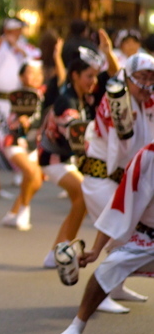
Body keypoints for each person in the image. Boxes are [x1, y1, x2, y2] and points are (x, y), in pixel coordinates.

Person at [67, 51, 154, 308]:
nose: (146, 83)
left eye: (151, 77)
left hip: (126, 181)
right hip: (102, 177)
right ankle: (102, 291)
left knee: (126, 234)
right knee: (120, 232)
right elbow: (124, 147)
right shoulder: (116, 99)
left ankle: (114, 287)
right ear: (128, 76)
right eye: (141, 77)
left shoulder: (148, 101)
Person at [58, 144, 154, 334]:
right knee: (110, 267)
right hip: (146, 238)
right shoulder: (148, 157)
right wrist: (95, 250)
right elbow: (119, 204)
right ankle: (78, 323)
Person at [38, 51, 100, 252]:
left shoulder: (85, 99)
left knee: (82, 200)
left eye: (95, 76)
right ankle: (60, 250)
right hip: (53, 159)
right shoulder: (67, 102)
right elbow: (78, 137)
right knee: (82, 195)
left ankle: (59, 248)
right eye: (89, 76)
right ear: (75, 75)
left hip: (68, 159)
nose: (94, 81)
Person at [0, 59, 47, 231]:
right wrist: (22, 119)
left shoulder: (44, 93)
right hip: (15, 141)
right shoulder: (18, 94)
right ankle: (24, 213)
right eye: (31, 73)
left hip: (33, 144)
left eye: (38, 73)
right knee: (31, 173)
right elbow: (16, 116)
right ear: (22, 76)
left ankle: (12, 214)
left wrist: (56, 58)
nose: (35, 77)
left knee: (35, 181)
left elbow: (61, 80)